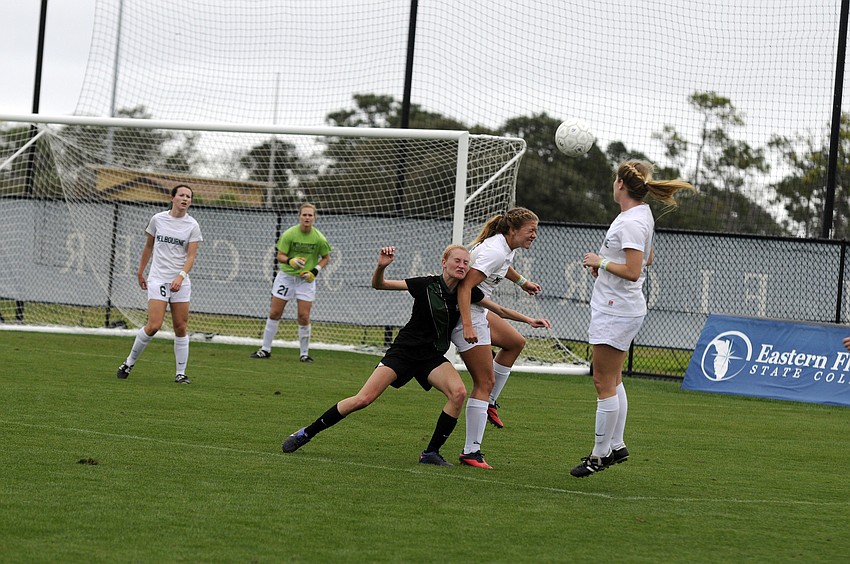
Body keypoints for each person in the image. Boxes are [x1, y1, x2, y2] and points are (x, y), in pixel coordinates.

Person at [281, 245, 549, 466]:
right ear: (443, 261)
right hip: (404, 352)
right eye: (457, 260)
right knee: (363, 399)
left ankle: (430, 452)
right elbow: (380, 285)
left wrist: (529, 320)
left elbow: (498, 310)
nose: (462, 265)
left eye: (466, 262)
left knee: (457, 393)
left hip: (431, 357)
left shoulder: (468, 291)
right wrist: (382, 265)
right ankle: (306, 432)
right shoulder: (425, 284)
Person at [571, 159, 695, 478]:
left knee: (602, 382)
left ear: (621, 184)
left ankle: (599, 455)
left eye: (615, 179)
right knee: (613, 380)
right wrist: (607, 262)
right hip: (619, 305)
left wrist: (602, 261)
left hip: (616, 308)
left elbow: (634, 270)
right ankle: (617, 444)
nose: (613, 184)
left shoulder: (631, 221)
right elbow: (646, 257)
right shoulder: (639, 215)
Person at [453, 207, 544, 469]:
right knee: (484, 381)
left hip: (478, 309)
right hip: (466, 313)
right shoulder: (494, 250)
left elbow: (504, 268)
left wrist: (523, 282)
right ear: (513, 230)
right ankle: (471, 451)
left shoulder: (505, 247)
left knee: (515, 343)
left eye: (536, 230)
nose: (534, 235)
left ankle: (490, 402)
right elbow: (465, 287)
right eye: (531, 230)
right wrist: (468, 325)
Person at [116, 184, 203, 384]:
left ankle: (180, 374)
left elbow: (191, 256)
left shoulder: (192, 225)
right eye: (181, 195)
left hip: (180, 281)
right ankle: (128, 363)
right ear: (172, 197)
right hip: (158, 278)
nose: (185, 199)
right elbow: (148, 246)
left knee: (181, 326)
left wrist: (181, 277)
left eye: (188, 196)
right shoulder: (158, 219)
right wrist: (140, 271)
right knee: (154, 325)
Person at [250, 203, 331, 362]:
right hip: (286, 277)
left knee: (303, 315)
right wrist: (290, 261)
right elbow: (280, 255)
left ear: (315, 217)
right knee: (275, 313)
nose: (307, 218)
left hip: (305, 281)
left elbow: (326, 257)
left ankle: (304, 354)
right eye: (304, 215)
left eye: (310, 215)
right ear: (299, 216)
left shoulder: (319, 238)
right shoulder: (290, 234)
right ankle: (265, 349)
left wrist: (314, 271)